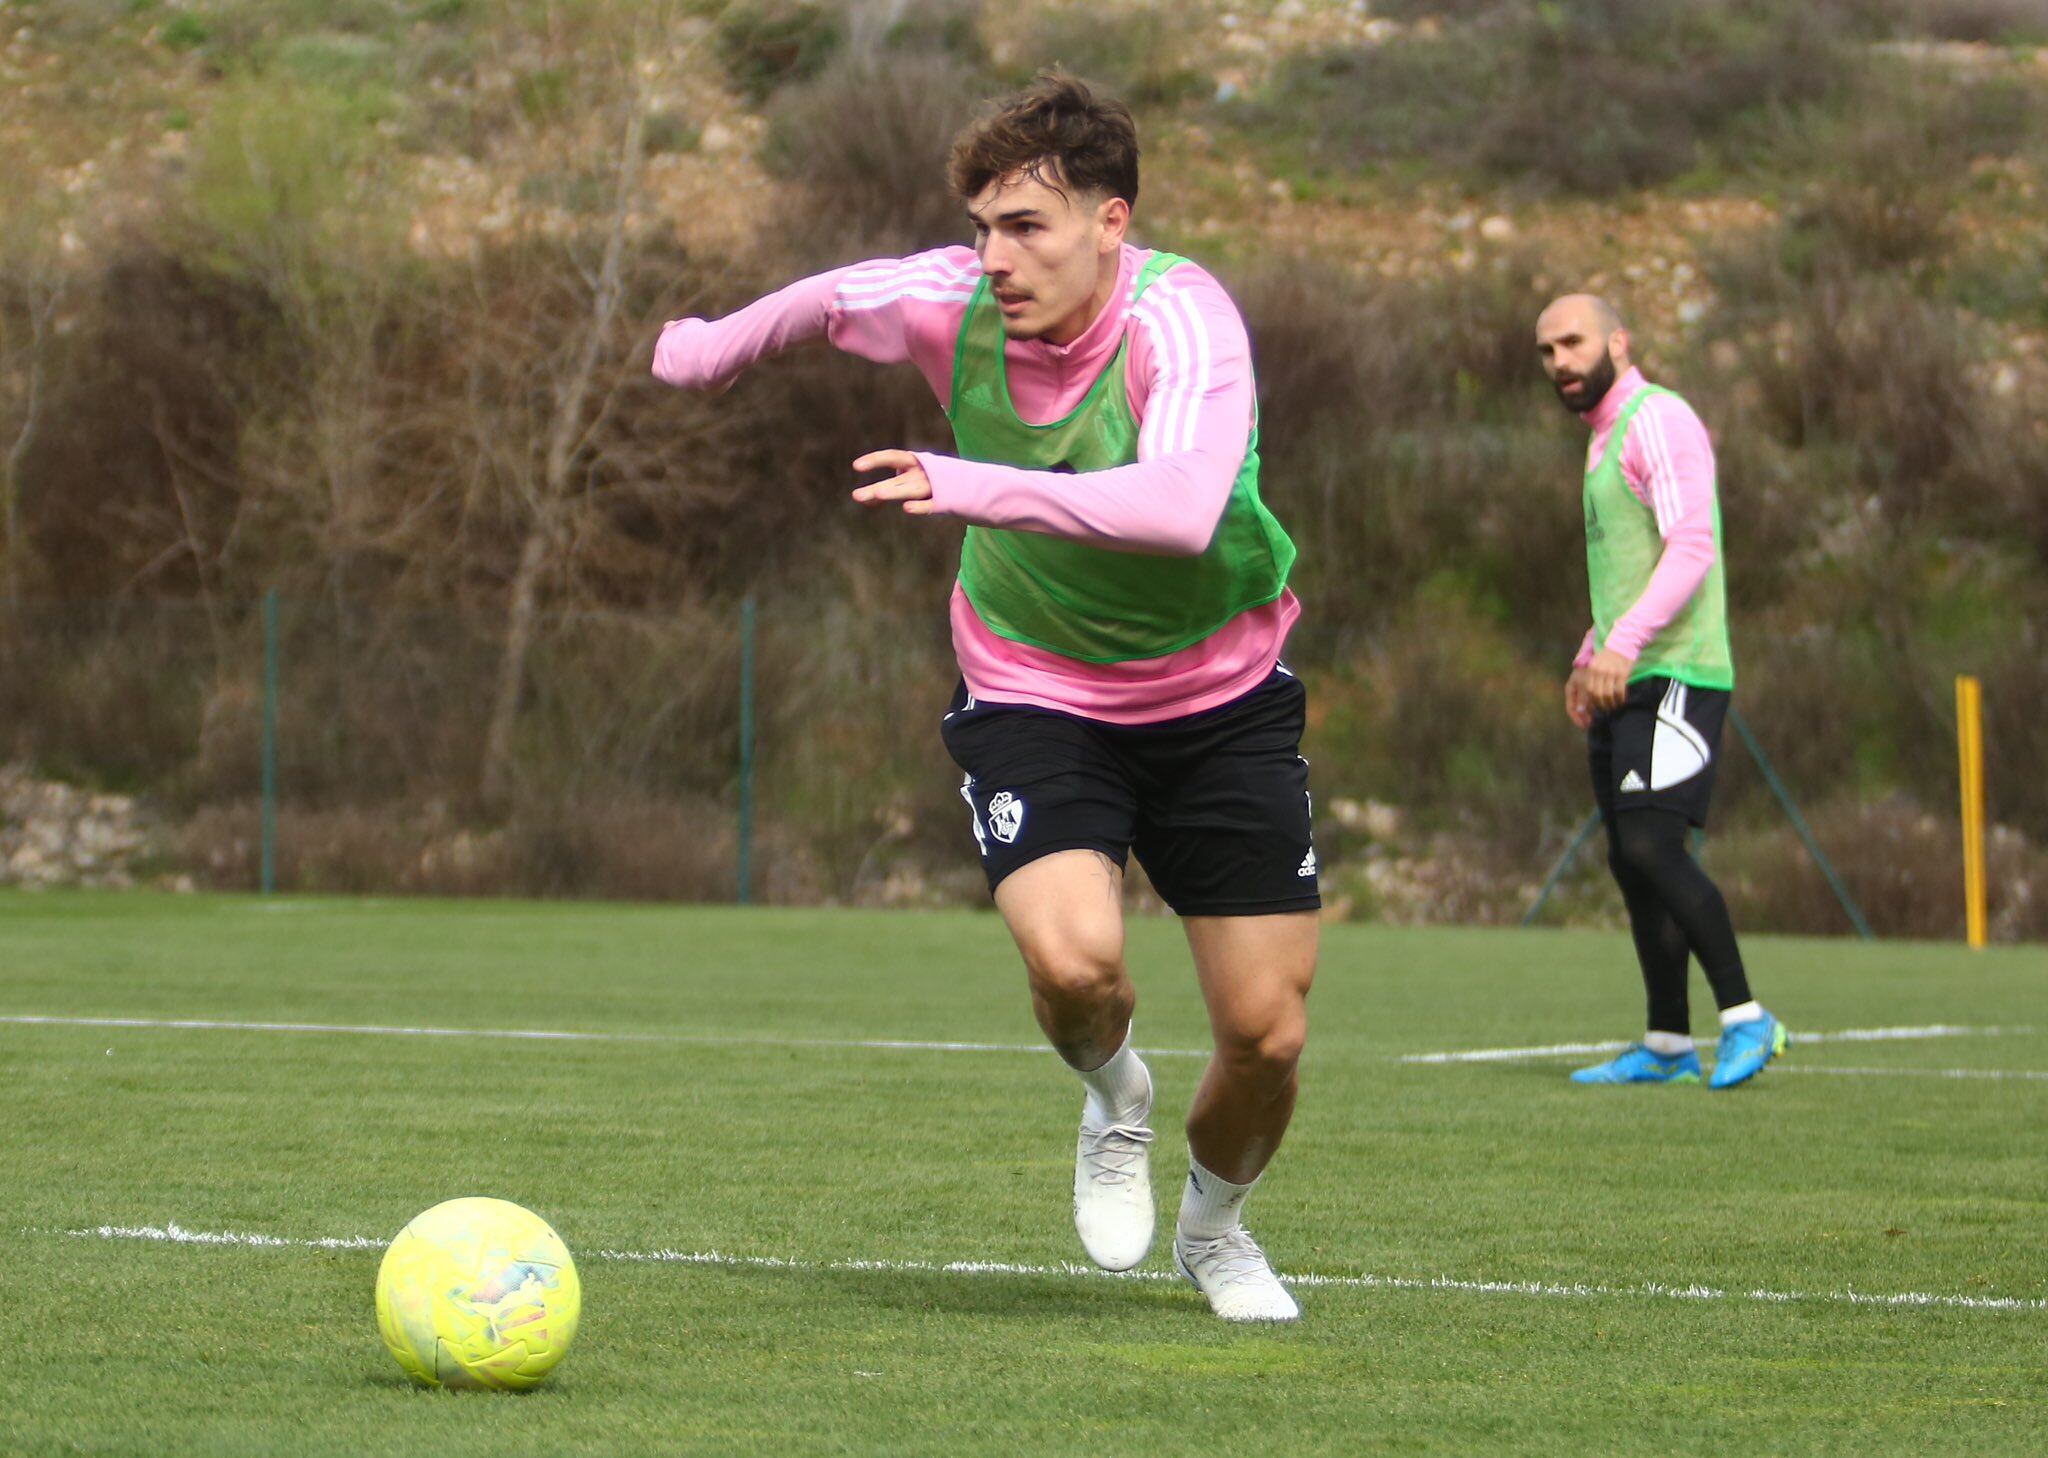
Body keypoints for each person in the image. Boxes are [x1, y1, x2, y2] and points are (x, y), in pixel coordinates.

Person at [653, 73, 1316, 1320]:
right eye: (980, 227)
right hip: (1033, 682)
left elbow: (1177, 511)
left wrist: (970, 485)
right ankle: (1115, 1097)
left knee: (1266, 1034)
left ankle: (1215, 1230)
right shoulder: (949, 302)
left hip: (1216, 694)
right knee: (1075, 967)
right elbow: (830, 296)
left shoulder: (1186, 323)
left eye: (1028, 227)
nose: (993, 258)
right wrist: (706, 352)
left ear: (1111, 221)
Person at [1534, 294, 1787, 1090]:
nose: (1560, 362)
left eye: (1572, 342)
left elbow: (1693, 546)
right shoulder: (1603, 440)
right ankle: (1667, 1043)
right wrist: (1590, 654)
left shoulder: (1657, 418)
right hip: (1625, 672)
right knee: (1629, 859)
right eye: (1546, 352)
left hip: (1678, 672)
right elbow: (1625, 576)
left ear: (1618, 340)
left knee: (1652, 846)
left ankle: (1748, 1018)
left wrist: (1625, 645)